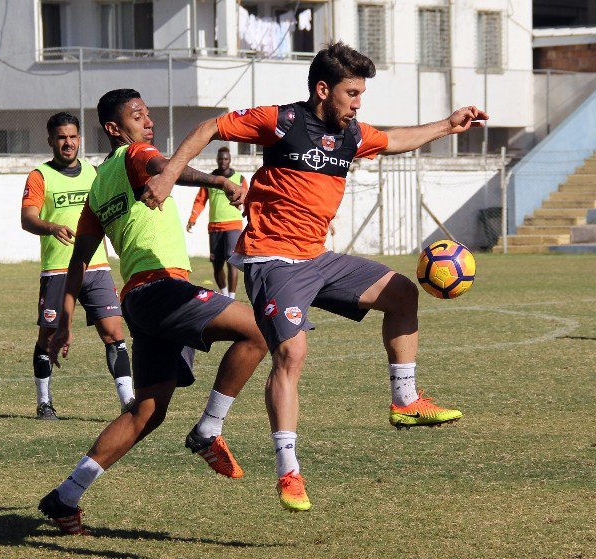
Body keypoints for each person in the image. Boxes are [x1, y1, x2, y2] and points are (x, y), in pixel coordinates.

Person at [140, 42, 489, 512]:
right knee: (292, 351)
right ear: (323, 89)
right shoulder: (280, 121)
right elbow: (209, 127)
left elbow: (395, 139)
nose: (358, 102)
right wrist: (168, 177)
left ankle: (405, 400)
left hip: (317, 259)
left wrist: (449, 125)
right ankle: (289, 471)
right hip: (273, 262)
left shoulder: (351, 135)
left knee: (403, 293)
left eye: (361, 93)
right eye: (352, 92)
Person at [38, 89, 267, 535]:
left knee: (146, 412)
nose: (149, 122)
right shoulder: (136, 154)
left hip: (140, 303)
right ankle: (208, 429)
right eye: (138, 115)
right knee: (260, 329)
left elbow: (79, 258)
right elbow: (166, 168)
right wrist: (219, 182)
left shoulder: (98, 187)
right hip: (162, 291)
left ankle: (65, 497)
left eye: (148, 115)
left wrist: (64, 319)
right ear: (114, 128)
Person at [21, 112, 134, 419]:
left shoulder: (94, 173)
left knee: (114, 335)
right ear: (51, 141)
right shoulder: (39, 176)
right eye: (61, 137)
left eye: (72, 137)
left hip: (96, 267)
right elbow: (27, 218)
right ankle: (44, 403)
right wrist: (50, 226)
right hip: (58, 270)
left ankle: (128, 403)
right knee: (47, 336)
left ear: (79, 139)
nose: (67, 143)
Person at [186, 146, 248, 299]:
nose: (223, 161)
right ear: (217, 160)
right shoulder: (210, 179)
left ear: (230, 160)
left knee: (231, 260)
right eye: (220, 159)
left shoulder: (239, 179)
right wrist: (192, 218)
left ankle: (231, 297)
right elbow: (200, 200)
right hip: (214, 227)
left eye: (225, 159)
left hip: (233, 226)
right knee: (217, 263)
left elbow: (248, 198)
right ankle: (225, 294)